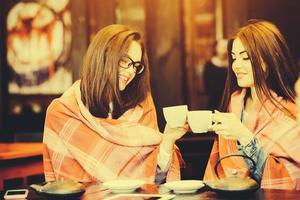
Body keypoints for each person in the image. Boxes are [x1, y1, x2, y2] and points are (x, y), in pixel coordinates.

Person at [43, 24, 188, 197]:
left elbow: (156, 181)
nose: (131, 71)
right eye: (125, 61)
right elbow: (63, 187)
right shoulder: (63, 113)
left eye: (135, 65)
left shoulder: (142, 106)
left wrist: (167, 141)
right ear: (102, 56)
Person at [204, 20, 300, 190]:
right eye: (233, 58)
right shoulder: (234, 105)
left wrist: (244, 136)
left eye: (245, 57)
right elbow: (219, 170)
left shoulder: (289, 113)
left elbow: (289, 181)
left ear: (269, 59)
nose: (236, 65)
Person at [203, 39, 228, 110]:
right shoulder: (209, 65)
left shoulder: (232, 64)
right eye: (222, 47)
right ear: (216, 48)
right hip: (214, 102)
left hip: (229, 100)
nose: (224, 49)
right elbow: (207, 87)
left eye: (226, 47)